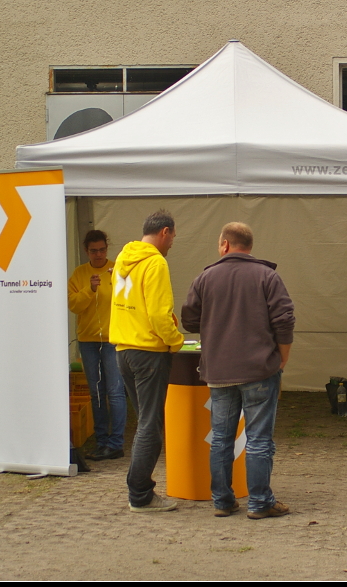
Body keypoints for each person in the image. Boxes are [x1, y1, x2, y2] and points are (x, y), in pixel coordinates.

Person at [181, 222, 295, 519]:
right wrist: (282, 358)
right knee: (258, 439)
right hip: (259, 371)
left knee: (221, 438)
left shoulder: (205, 278)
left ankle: (222, 501)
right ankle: (259, 503)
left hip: (219, 372)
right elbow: (285, 319)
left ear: (225, 245)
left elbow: (189, 319)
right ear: (249, 246)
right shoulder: (267, 276)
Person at [110, 210, 184, 512]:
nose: (172, 244)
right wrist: (176, 341)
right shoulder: (155, 262)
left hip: (123, 350)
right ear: (165, 232)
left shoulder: (122, 260)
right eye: (173, 237)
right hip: (149, 353)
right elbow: (157, 314)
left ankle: (138, 490)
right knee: (150, 427)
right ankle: (140, 494)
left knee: (145, 424)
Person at [68, 230, 125, 461]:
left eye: (102, 249)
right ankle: (101, 442)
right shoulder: (80, 274)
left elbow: (128, 300)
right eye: (94, 251)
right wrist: (89, 290)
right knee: (96, 393)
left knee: (115, 392)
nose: (99, 254)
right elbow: (73, 306)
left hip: (113, 340)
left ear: (107, 248)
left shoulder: (117, 269)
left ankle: (116, 443)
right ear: (86, 251)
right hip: (88, 341)